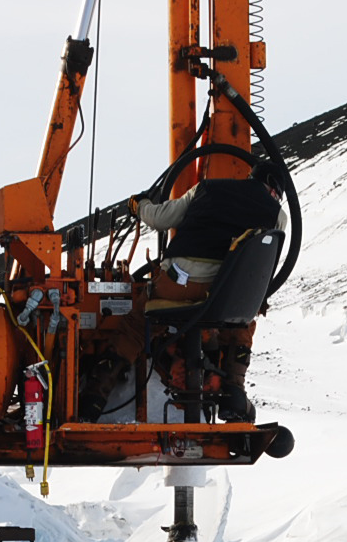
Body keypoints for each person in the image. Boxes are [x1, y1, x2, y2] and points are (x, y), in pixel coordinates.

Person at [85, 162, 287, 423]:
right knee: (242, 324)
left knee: (136, 326)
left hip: (180, 284)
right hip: (226, 295)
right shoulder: (278, 215)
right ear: (274, 189)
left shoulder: (206, 189)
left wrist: (140, 205)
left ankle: (94, 397)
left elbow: (159, 219)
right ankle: (234, 393)